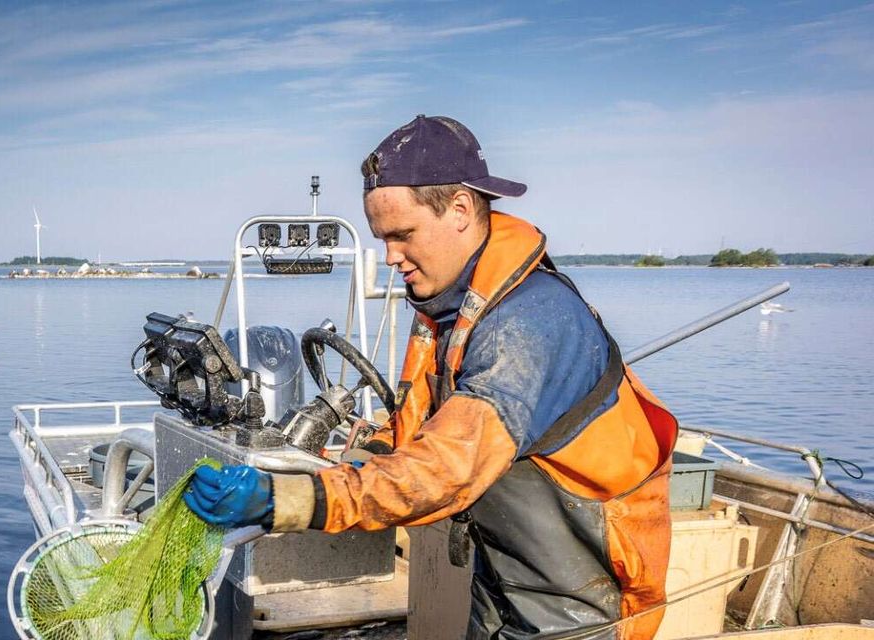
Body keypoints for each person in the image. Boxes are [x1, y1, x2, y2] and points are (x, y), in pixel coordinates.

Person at [185, 115, 678, 640]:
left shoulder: (527, 325)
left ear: (461, 209)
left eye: (402, 235)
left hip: (579, 611)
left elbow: (447, 471)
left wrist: (288, 501)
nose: (391, 257)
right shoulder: (451, 310)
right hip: (501, 586)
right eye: (381, 238)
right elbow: (412, 434)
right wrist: (327, 467)